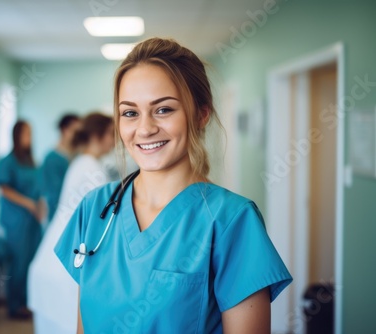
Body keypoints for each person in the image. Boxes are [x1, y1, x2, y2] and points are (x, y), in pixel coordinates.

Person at [54, 38, 293, 333]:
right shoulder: (95, 209)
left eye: (164, 109)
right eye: (130, 113)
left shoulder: (232, 221)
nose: (145, 129)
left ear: (201, 114)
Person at [28, 112, 115, 334]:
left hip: (53, 259)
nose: (116, 140)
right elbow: (103, 221)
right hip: (62, 264)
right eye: (112, 134)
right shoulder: (91, 169)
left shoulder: (82, 162)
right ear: (97, 136)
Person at [0, 120, 46, 319]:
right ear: (16, 136)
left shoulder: (31, 161)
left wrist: (39, 205)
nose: (29, 138)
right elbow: (5, 190)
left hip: (32, 219)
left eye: (31, 134)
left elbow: (39, 187)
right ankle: (15, 306)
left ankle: (28, 301)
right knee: (19, 262)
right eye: (26, 134)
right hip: (16, 220)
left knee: (33, 261)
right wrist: (29, 204)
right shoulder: (7, 162)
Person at [40, 114, 81, 222]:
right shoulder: (52, 158)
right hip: (59, 216)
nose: (78, 137)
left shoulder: (78, 156)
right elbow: (55, 195)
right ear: (64, 130)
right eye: (75, 132)